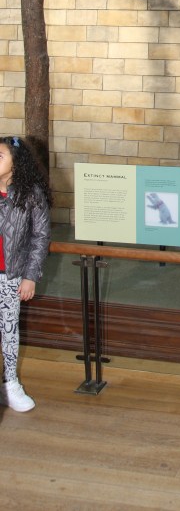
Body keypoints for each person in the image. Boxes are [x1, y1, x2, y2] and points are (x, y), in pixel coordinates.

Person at [0, 136, 52, 412]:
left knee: (9, 331)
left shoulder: (30, 194)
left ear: (16, 164)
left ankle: (11, 384)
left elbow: (41, 237)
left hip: (10, 276)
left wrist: (30, 276)